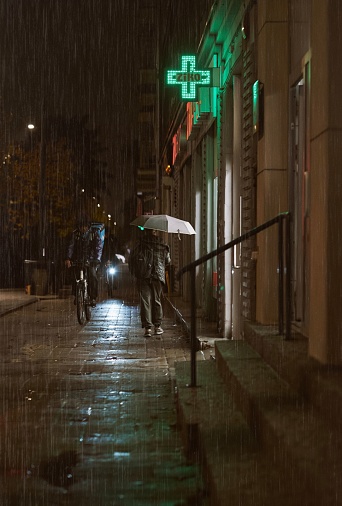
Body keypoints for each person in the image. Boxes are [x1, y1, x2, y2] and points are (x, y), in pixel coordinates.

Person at [131, 229, 171, 337]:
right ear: (156, 232)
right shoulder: (162, 243)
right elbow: (167, 261)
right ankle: (157, 326)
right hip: (158, 275)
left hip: (144, 275)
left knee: (145, 300)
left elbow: (134, 258)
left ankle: (147, 328)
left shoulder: (141, 242)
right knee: (157, 300)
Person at [65, 215, 103, 307]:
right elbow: (71, 246)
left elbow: (98, 247)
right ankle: (76, 295)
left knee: (92, 276)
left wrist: (97, 259)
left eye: (85, 226)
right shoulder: (76, 234)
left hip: (91, 259)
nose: (83, 228)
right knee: (75, 277)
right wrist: (68, 258)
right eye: (81, 226)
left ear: (88, 226)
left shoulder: (94, 233)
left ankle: (93, 298)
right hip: (78, 259)